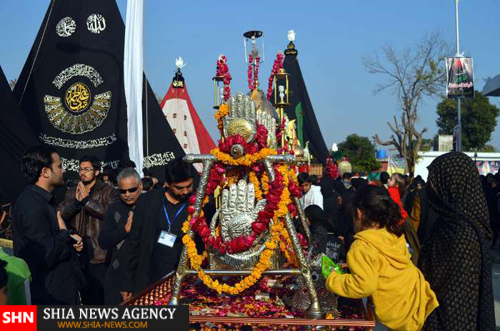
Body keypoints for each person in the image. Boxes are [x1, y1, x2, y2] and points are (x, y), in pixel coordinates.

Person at [325, 185, 438, 330]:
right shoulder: (390, 233)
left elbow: (363, 286)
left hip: (396, 317)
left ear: (359, 214)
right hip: (415, 302)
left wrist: (332, 279)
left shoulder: (362, 245)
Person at [418, 152, 496, 330]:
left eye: (435, 179)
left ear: (451, 184)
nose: (430, 185)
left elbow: (455, 303)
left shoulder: (461, 234)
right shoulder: (451, 223)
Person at [12, 145, 83, 304]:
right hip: (51, 299)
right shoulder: (31, 206)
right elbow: (46, 255)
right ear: (45, 172)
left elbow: (51, 234)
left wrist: (70, 237)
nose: (63, 170)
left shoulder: (44, 200)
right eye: (59, 166)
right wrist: (64, 235)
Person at [120, 158, 194, 300]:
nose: (185, 191)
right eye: (179, 188)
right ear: (167, 183)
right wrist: (126, 283)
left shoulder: (199, 203)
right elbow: (133, 243)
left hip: (184, 280)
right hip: (149, 278)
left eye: (189, 186)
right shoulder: (148, 201)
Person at [59, 155, 119, 304]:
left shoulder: (108, 191)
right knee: (84, 297)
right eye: (81, 169)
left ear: (97, 171)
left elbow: (111, 215)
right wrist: (76, 203)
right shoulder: (72, 191)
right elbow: (61, 215)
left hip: (99, 254)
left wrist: (87, 201)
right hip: (77, 253)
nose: (82, 172)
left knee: (101, 297)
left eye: (87, 169)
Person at [98, 168, 143, 304]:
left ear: (140, 186)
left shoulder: (150, 206)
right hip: (117, 272)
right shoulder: (114, 209)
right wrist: (124, 230)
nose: (127, 194)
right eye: (122, 191)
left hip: (142, 275)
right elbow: (103, 241)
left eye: (132, 190)